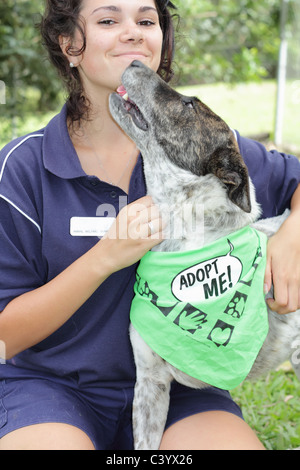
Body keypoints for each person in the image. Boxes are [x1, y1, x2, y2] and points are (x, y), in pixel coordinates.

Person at [0, 0, 299, 451]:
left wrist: (292, 237)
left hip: (180, 391)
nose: (133, 32)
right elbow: (5, 334)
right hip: (51, 389)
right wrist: (104, 259)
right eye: (107, 19)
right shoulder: (21, 169)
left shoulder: (198, 147)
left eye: (146, 21)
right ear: (69, 45)